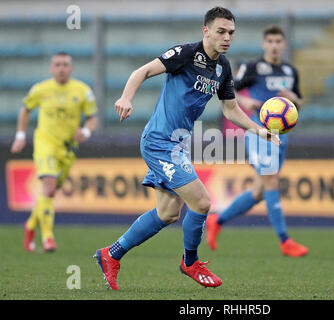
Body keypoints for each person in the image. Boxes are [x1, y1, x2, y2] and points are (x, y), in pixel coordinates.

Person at [93, 7, 280, 290]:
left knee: (167, 213)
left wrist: (259, 130)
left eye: (231, 33)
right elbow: (141, 71)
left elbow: (231, 109)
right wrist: (126, 98)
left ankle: (111, 254)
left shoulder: (222, 67)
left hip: (177, 145)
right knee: (202, 202)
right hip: (159, 143)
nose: (227, 37)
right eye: (221, 31)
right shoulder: (185, 54)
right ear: (206, 31)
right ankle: (189, 262)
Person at [206, 25, 308, 258]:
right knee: (270, 180)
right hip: (259, 132)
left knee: (260, 191)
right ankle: (285, 241)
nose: (274, 45)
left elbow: (299, 102)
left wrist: (294, 99)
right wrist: (245, 102)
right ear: (264, 44)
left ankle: (217, 221)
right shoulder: (253, 68)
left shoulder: (290, 71)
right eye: (270, 41)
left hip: (282, 135)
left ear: (283, 44)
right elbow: (226, 89)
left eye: (278, 41)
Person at [10, 52, 98, 252]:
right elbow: (25, 109)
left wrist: (85, 130)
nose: (61, 68)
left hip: (67, 148)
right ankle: (48, 238)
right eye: (57, 64)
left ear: (71, 68)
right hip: (45, 144)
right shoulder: (41, 89)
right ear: (51, 68)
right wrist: (21, 136)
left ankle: (30, 225)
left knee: (50, 192)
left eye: (65, 64)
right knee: (48, 186)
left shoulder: (83, 90)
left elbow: (93, 118)